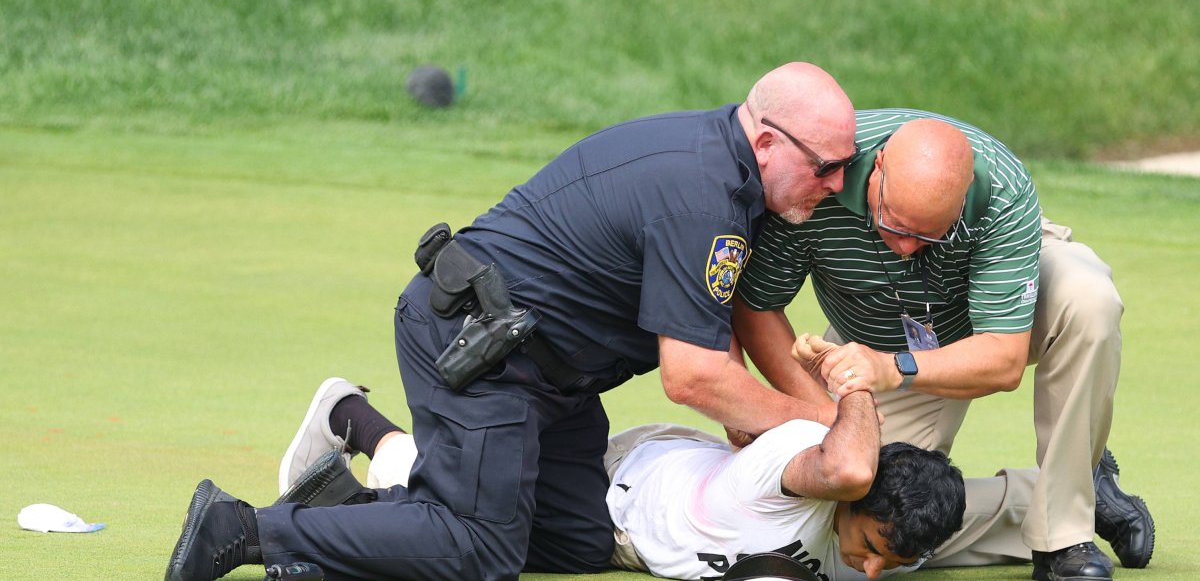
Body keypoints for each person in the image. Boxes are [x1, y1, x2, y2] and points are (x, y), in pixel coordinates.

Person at [164, 62, 860, 581]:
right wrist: (820, 426)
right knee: (480, 547)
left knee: (580, 541)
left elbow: (718, 317)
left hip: (549, 372)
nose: (834, 185)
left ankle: (356, 505)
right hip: (482, 347)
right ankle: (243, 528)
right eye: (825, 167)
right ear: (768, 142)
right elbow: (692, 376)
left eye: (845, 168)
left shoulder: (726, 174)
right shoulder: (704, 193)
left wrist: (787, 409)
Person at [732, 110, 1155, 581]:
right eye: (893, 224)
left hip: (988, 319)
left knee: (1088, 298)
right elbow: (756, 307)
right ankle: (1075, 488)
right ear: (876, 171)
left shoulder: (1002, 189)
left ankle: (1064, 537)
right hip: (876, 339)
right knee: (879, 524)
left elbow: (1003, 360)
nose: (907, 247)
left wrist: (894, 367)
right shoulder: (820, 168)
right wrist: (819, 416)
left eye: (927, 234)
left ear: (964, 193)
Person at [270, 373, 966, 581]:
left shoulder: (888, 534)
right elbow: (847, 457)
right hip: (617, 487)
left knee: (469, 549)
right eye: (873, 546)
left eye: (890, 561)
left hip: (616, 544)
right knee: (466, 521)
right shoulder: (811, 461)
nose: (871, 570)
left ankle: (343, 508)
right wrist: (859, 385)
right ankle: (349, 414)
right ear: (857, 490)